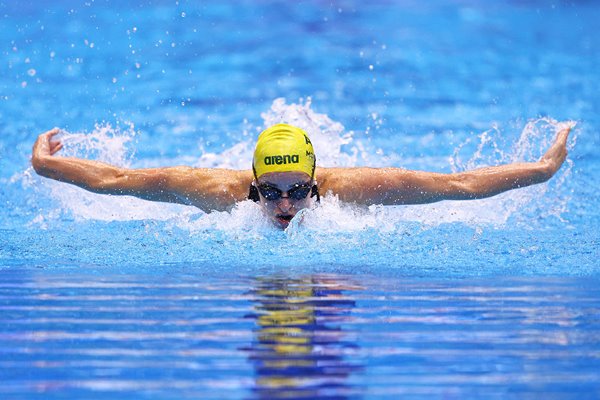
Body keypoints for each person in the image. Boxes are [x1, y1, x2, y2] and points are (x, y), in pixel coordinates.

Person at [32, 123, 571, 229]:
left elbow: (460, 185)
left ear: (317, 182)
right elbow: (116, 180)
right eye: (270, 193)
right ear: (252, 184)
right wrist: (46, 164)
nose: (285, 207)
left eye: (297, 192)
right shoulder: (218, 194)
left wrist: (543, 168)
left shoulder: (354, 190)